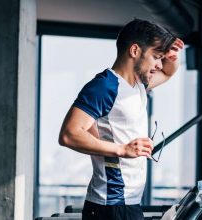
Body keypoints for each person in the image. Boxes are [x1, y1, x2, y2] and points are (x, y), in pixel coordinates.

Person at [58, 18, 184, 220]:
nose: (160, 65)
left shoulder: (138, 86)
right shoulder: (105, 86)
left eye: (161, 58)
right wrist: (122, 149)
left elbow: (169, 72)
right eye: (156, 57)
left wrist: (173, 56)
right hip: (111, 204)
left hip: (129, 202)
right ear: (135, 51)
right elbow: (69, 134)